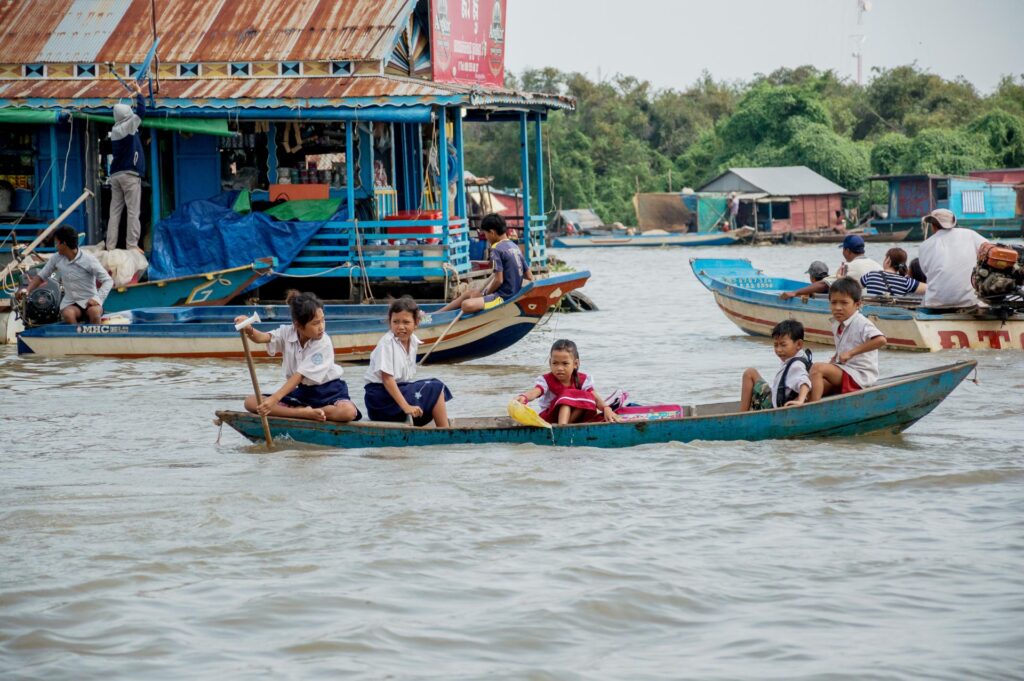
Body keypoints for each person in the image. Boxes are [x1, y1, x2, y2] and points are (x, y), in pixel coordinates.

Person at [234, 292, 360, 423]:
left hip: (329, 391)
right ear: (298, 325)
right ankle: (301, 413)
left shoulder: (323, 342)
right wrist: (249, 329)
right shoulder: (287, 332)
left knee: (347, 412)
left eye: (323, 320)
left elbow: (299, 375)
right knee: (251, 402)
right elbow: (262, 338)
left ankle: (312, 412)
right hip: (303, 393)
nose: (321, 327)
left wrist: (275, 399)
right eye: (316, 323)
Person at [364, 296, 452, 427]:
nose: (400, 327)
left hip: (395, 393)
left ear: (416, 323)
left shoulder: (413, 342)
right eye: (396, 322)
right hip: (380, 399)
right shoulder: (386, 344)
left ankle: (442, 428)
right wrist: (406, 407)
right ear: (390, 323)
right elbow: (387, 379)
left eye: (406, 322)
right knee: (435, 387)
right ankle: (445, 431)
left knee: (436, 384)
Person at [807, 278, 887, 402]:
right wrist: (836, 356)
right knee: (812, 385)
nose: (838, 308)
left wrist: (851, 353)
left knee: (817, 368)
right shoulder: (837, 323)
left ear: (857, 304)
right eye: (834, 303)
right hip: (845, 371)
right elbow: (846, 345)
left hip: (859, 375)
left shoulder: (861, 322)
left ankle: (813, 407)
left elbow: (880, 340)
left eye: (844, 303)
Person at [16, 225, 112, 324]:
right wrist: (27, 290)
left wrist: (98, 299)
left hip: (90, 301)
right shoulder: (56, 258)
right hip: (71, 303)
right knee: (68, 314)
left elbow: (108, 280)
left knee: (95, 313)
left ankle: (95, 338)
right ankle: (74, 338)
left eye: (56, 243)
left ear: (64, 244)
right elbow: (41, 276)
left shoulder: (89, 260)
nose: (55, 246)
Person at [438, 213, 532, 313]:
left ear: (492, 233)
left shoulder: (496, 248)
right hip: (513, 295)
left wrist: (485, 294)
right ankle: (438, 313)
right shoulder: (514, 246)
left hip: (503, 298)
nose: (486, 238)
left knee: (466, 304)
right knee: (469, 294)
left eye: (485, 234)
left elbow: (498, 280)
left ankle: (437, 314)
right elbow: (529, 276)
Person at [515, 339, 621, 425]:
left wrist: (607, 409)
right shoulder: (546, 380)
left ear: (575, 364)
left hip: (574, 417)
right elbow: (536, 391)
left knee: (587, 397)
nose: (559, 368)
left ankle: (568, 426)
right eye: (555, 363)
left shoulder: (582, 380)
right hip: (549, 418)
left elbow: (595, 398)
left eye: (565, 363)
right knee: (567, 395)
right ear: (550, 363)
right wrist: (524, 397)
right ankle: (563, 428)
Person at [917, 208, 989, 309]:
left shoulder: (924, 245)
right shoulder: (969, 234)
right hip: (969, 302)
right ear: (953, 223)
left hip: (935, 303)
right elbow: (990, 251)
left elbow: (926, 271)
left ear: (933, 226)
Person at [106, 81, 147, 252]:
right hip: (130, 175)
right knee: (132, 211)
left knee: (114, 212)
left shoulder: (115, 129)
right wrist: (139, 93)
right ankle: (132, 245)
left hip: (115, 175)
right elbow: (141, 112)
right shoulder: (128, 126)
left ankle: (110, 246)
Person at [739, 320, 812, 411]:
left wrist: (800, 400)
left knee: (749, 373)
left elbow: (804, 382)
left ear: (799, 344)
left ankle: (742, 414)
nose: (778, 350)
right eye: (775, 345)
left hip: (773, 407)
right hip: (775, 397)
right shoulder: (799, 356)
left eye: (783, 345)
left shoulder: (796, 365)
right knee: (751, 373)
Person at [859, 247, 927, 297]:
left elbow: (853, 287)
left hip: (872, 314)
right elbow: (930, 288)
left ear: (888, 260)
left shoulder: (870, 275)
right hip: (894, 315)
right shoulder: (907, 282)